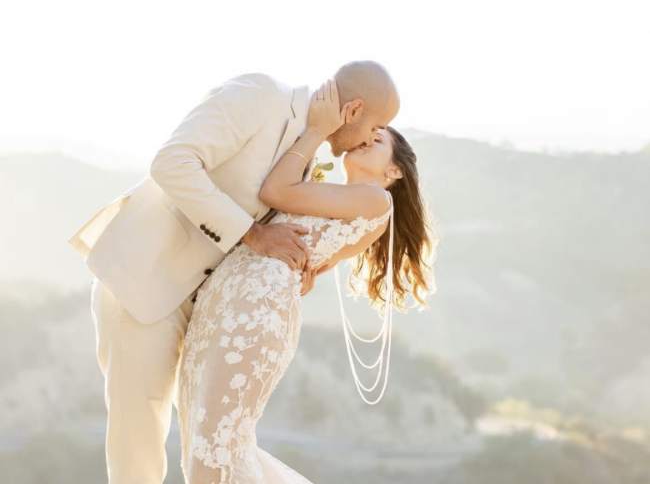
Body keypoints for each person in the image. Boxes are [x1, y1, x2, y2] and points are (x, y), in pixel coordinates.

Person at [67, 60, 399, 484]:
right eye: (378, 125)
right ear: (353, 110)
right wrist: (253, 235)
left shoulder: (311, 153)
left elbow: (281, 220)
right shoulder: (260, 95)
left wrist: (294, 262)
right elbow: (172, 163)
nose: (374, 136)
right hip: (145, 284)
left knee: (208, 442)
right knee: (140, 448)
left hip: (212, 311)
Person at [177, 79, 433, 483]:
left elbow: (276, 191)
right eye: (369, 132)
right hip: (224, 302)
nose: (369, 138)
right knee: (205, 439)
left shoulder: (375, 200)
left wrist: (315, 131)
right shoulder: (332, 196)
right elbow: (313, 263)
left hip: (254, 313)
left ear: (394, 169)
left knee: (217, 444)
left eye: (379, 138)